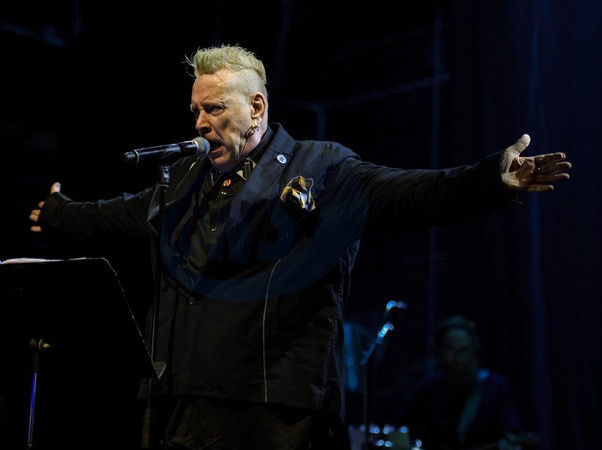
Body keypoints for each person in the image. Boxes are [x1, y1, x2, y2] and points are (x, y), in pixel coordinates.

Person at [28, 44, 570, 449]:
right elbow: (116, 215)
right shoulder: (183, 183)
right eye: (195, 111)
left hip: (272, 409)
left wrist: (490, 180)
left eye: (214, 109)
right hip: (179, 401)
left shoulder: (321, 166)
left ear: (256, 107)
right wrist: (58, 213)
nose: (200, 123)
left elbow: (410, 193)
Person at [396, 315, 534, 450]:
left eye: (463, 350)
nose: (458, 359)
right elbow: (401, 429)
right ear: (439, 351)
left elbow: (512, 435)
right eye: (450, 350)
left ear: (475, 348)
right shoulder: (428, 387)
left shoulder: (496, 389)